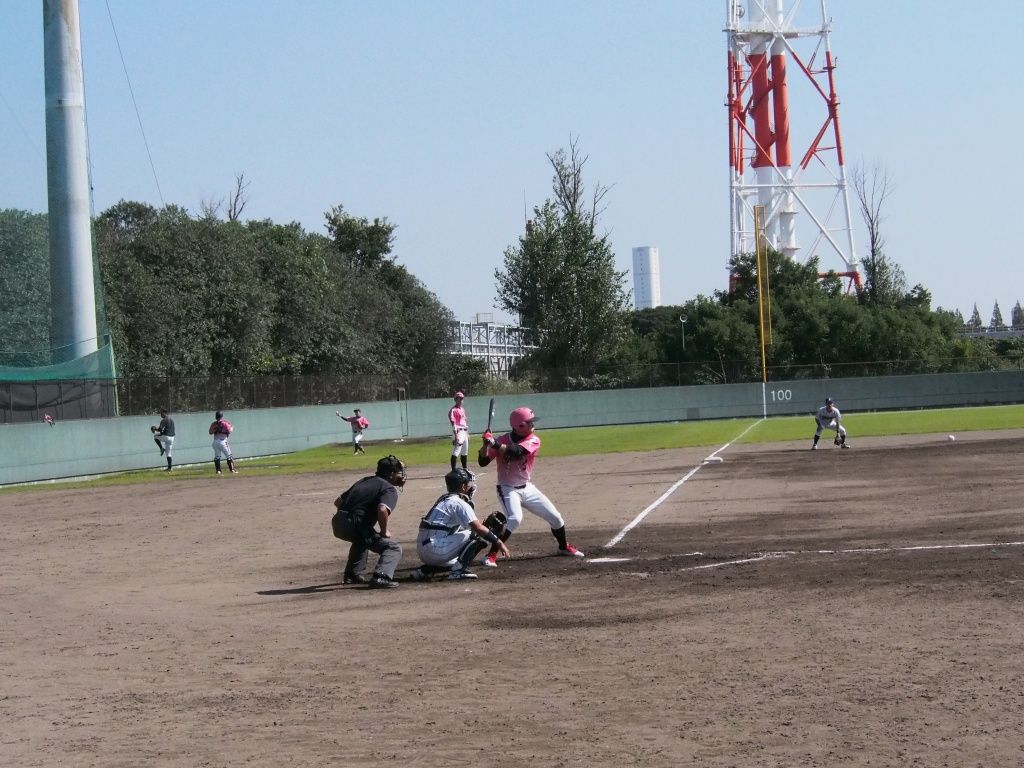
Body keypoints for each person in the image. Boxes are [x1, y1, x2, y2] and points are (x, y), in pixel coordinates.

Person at [476, 406, 585, 568]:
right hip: (507, 489)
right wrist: (486, 444)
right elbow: (482, 462)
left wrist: (495, 444)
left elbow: (517, 451)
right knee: (515, 519)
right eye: (529, 422)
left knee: (556, 518)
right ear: (519, 425)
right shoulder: (501, 440)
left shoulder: (533, 439)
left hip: (527, 488)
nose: (533, 425)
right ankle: (491, 554)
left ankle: (563, 547)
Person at [409, 468, 510, 582]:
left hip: (424, 549)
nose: (471, 487)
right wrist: (499, 542)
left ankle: (424, 571)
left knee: (458, 559)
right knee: (477, 535)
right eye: (468, 484)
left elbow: (465, 526)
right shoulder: (459, 503)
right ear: (462, 486)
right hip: (435, 549)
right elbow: (477, 528)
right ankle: (458, 571)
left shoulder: (444, 499)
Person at [330, 454, 407, 588]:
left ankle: (352, 574)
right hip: (355, 524)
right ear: (391, 473)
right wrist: (384, 531)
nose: (401, 476)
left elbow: (338, 502)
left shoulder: (365, 480)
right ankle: (381, 577)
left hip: (337, 521)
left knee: (363, 539)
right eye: (398, 472)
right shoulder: (388, 488)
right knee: (393, 548)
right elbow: (382, 509)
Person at [208, 410, 238, 474]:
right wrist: (232, 427)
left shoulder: (213, 424)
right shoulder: (224, 423)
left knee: (217, 456)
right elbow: (229, 431)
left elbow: (210, 432)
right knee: (229, 456)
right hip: (223, 441)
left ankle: (218, 471)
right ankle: (232, 470)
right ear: (222, 416)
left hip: (215, 442)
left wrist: (216, 429)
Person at [448, 391, 470, 471]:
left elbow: (464, 422)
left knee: (465, 452)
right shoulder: (453, 410)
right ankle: (453, 470)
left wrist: (467, 434)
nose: (460, 400)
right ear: (455, 400)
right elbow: (453, 423)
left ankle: (465, 469)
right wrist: (456, 435)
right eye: (459, 399)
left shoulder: (463, 410)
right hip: (458, 432)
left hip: (464, 432)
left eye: (462, 399)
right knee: (456, 451)